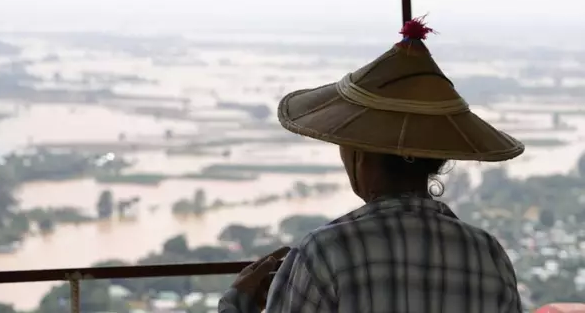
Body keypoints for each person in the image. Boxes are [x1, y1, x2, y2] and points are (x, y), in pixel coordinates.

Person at [218, 18, 524, 313]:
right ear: (437, 158)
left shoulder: (324, 252)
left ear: (360, 157)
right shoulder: (487, 253)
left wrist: (238, 304)